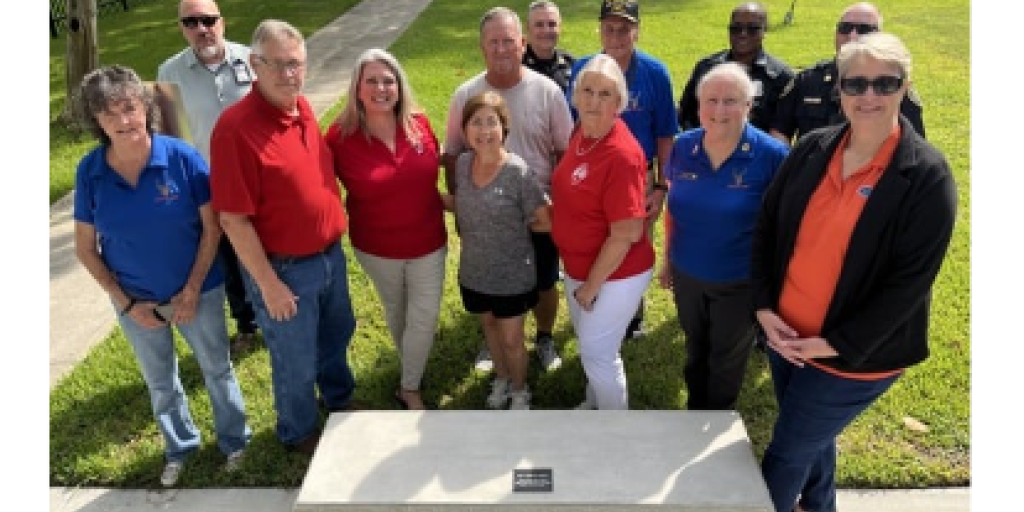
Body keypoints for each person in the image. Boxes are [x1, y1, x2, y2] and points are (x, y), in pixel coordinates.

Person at [751, 32, 956, 512]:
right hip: (786, 337)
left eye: (885, 83)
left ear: (906, 87)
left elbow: (908, 286)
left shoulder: (926, 175)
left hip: (855, 358)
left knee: (786, 453)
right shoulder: (813, 148)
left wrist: (835, 344)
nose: (869, 96)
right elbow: (767, 228)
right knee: (811, 440)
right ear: (838, 88)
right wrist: (763, 307)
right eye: (856, 83)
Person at [72, 65, 251, 487]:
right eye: (110, 113)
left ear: (145, 108)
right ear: (97, 121)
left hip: (199, 291)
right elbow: (85, 248)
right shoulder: (90, 171)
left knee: (217, 369)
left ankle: (235, 442)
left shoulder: (182, 157)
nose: (123, 120)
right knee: (160, 381)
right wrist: (127, 303)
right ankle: (180, 447)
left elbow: (212, 228)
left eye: (130, 108)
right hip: (135, 301)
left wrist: (191, 291)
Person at [210, 19, 358, 455]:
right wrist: (269, 285)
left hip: (330, 256)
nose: (289, 74)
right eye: (277, 65)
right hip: (283, 268)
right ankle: (299, 432)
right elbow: (233, 220)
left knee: (337, 334)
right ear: (254, 64)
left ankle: (339, 401)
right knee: (295, 358)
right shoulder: (235, 128)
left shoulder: (301, 108)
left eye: (296, 64)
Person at [442, 6, 573, 375]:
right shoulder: (465, 94)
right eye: (493, 42)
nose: (501, 49)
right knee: (492, 279)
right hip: (488, 210)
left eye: (509, 41)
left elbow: (565, 151)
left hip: (537, 209)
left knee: (546, 280)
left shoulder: (546, 91)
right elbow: (452, 155)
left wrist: (557, 208)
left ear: (523, 44)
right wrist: (463, 210)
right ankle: (494, 339)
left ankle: (544, 337)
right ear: (482, 46)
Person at [659, 62, 789, 411]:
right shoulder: (684, 148)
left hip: (740, 280)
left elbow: (785, 226)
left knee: (726, 358)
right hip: (687, 274)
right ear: (698, 105)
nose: (719, 110)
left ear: (749, 106)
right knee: (695, 347)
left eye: (730, 100)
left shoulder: (773, 156)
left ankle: (715, 418)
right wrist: (667, 260)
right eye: (710, 100)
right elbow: (674, 208)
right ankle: (694, 410)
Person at [325, 48, 445, 411]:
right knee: (398, 313)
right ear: (358, 89)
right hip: (376, 248)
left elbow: (433, 178)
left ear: (400, 86)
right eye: (372, 81)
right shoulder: (339, 138)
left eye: (389, 80)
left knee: (424, 317)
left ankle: (409, 387)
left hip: (428, 242)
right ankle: (412, 365)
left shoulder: (420, 125)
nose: (381, 88)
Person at [566, 0, 678, 340]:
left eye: (625, 28)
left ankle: (630, 312)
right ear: (599, 29)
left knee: (632, 240)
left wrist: (661, 187)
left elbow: (665, 134)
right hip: (591, 173)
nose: (616, 36)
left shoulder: (655, 73)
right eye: (610, 27)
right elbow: (574, 126)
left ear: (637, 31)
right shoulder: (584, 68)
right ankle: (592, 298)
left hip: (637, 177)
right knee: (596, 235)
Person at [551, 54, 655, 410]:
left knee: (598, 354)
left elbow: (626, 232)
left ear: (619, 104)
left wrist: (593, 284)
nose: (594, 101)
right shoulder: (582, 131)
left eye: (606, 94)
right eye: (588, 91)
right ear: (575, 95)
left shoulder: (621, 155)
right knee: (590, 345)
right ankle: (593, 404)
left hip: (615, 272)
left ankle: (614, 430)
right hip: (579, 267)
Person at [158, 0, 260, 356]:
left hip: (258, 181)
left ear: (222, 22)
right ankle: (247, 323)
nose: (201, 29)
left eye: (208, 20)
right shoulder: (169, 73)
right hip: (209, 185)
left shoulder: (253, 59)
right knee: (228, 258)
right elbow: (169, 138)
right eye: (191, 22)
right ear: (182, 28)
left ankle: (277, 311)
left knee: (268, 249)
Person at [449, 91, 551, 410]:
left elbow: (544, 221)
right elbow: (462, 204)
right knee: (490, 329)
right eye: (476, 122)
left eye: (491, 122)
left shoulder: (517, 172)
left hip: (512, 276)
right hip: (475, 272)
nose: (484, 131)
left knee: (511, 339)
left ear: (504, 128)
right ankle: (502, 379)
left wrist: (515, 233)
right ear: (465, 130)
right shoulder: (464, 164)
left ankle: (520, 390)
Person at [769, 2, 925, 146]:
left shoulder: (893, 86)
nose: (852, 36)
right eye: (845, 28)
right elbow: (780, 132)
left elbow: (914, 144)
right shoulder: (807, 80)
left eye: (864, 30)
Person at [676, 2, 793, 133]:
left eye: (752, 29)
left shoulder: (780, 76)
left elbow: (783, 130)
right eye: (736, 28)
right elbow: (686, 115)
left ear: (765, 31)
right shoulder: (707, 68)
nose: (743, 34)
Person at [522, 1, 575, 93]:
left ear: (560, 27)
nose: (546, 30)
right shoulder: (517, 65)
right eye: (539, 25)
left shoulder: (571, 64)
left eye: (552, 24)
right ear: (528, 28)